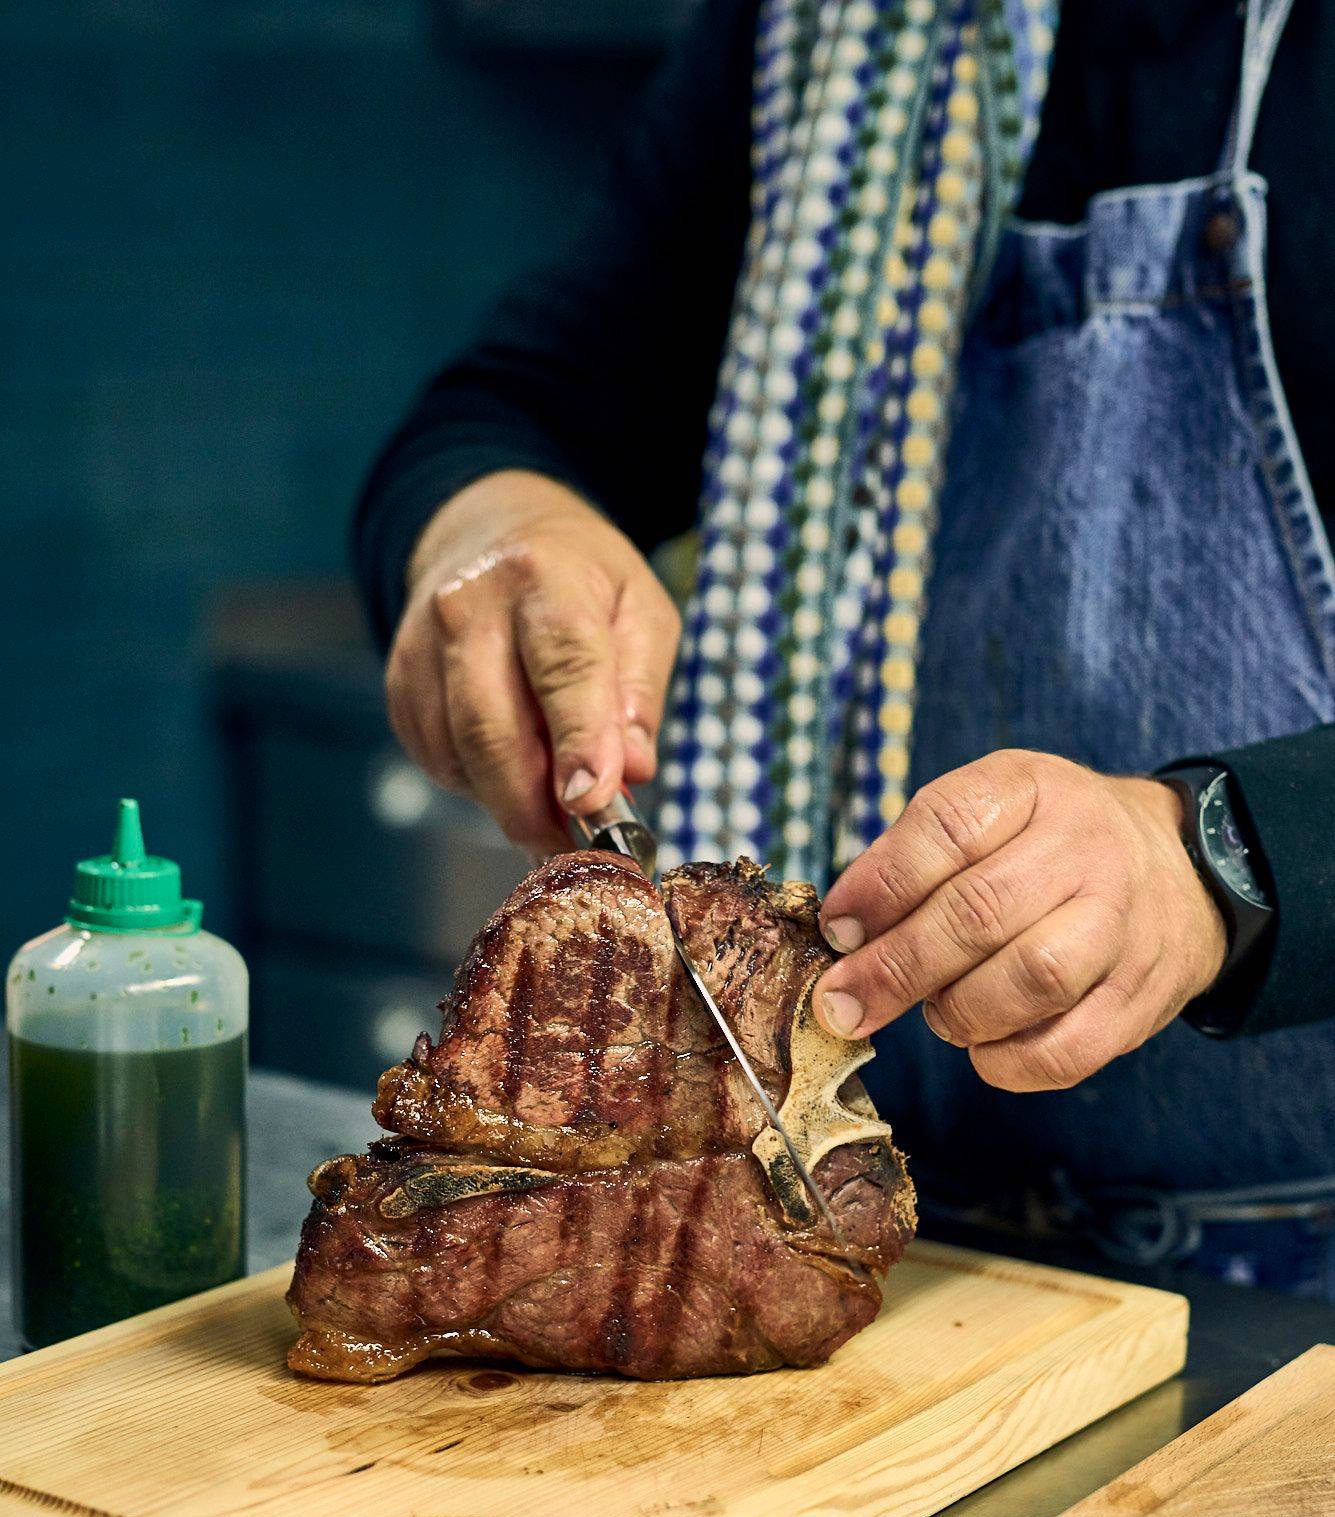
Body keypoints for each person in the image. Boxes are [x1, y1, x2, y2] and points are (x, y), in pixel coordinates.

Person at [354, 0, 1335, 1294]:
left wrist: (1214, 852)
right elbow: (511, 412)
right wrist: (493, 528)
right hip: (842, 1246)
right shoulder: (823, 36)